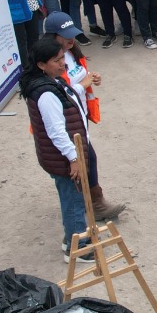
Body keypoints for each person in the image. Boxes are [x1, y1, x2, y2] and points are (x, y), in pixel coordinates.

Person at [42, 12, 126, 220]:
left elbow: (75, 77)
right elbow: (58, 91)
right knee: (80, 164)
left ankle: (94, 203)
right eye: (65, 35)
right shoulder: (49, 61)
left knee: (89, 159)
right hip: (66, 121)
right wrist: (82, 85)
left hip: (78, 116)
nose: (71, 39)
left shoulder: (70, 52)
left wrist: (89, 78)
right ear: (52, 36)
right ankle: (87, 211)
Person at [22, 38, 96, 261]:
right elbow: (56, 132)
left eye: (63, 58)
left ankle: (74, 239)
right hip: (63, 159)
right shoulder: (45, 94)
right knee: (73, 201)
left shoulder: (49, 82)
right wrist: (74, 158)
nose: (63, 63)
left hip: (60, 157)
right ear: (41, 65)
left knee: (73, 197)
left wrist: (83, 85)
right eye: (56, 60)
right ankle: (77, 247)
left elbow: (68, 93)